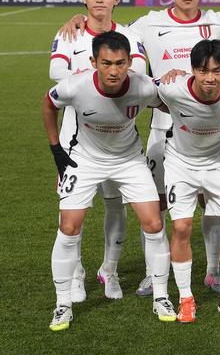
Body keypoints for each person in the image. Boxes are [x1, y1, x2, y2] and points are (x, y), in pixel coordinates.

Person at [59, 0, 220, 296]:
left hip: (206, 126)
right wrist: (81, 20)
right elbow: (111, 32)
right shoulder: (147, 24)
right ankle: (151, 274)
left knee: (210, 200)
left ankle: (213, 269)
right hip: (163, 123)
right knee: (155, 204)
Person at [43, 31, 175, 331]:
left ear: (129, 62)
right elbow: (48, 105)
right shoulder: (75, 86)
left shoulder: (143, 87)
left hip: (129, 160)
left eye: (120, 63)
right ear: (94, 62)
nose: (113, 71)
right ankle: (62, 304)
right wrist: (56, 149)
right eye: (106, 63)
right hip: (84, 159)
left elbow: (168, 103)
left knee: (154, 223)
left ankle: (162, 297)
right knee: (68, 227)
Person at [49, 0, 147, 302]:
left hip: (118, 134)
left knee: (115, 205)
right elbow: (56, 73)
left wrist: (92, 77)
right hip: (74, 134)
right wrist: (97, 79)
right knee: (71, 210)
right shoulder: (70, 33)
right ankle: (76, 274)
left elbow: (138, 73)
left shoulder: (130, 36)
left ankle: (110, 270)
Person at [157, 40, 220, 322]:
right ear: (192, 70)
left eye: (217, 71)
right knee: (181, 227)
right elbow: (140, 90)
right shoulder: (171, 89)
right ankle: (186, 298)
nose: (209, 78)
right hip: (180, 163)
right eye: (202, 70)